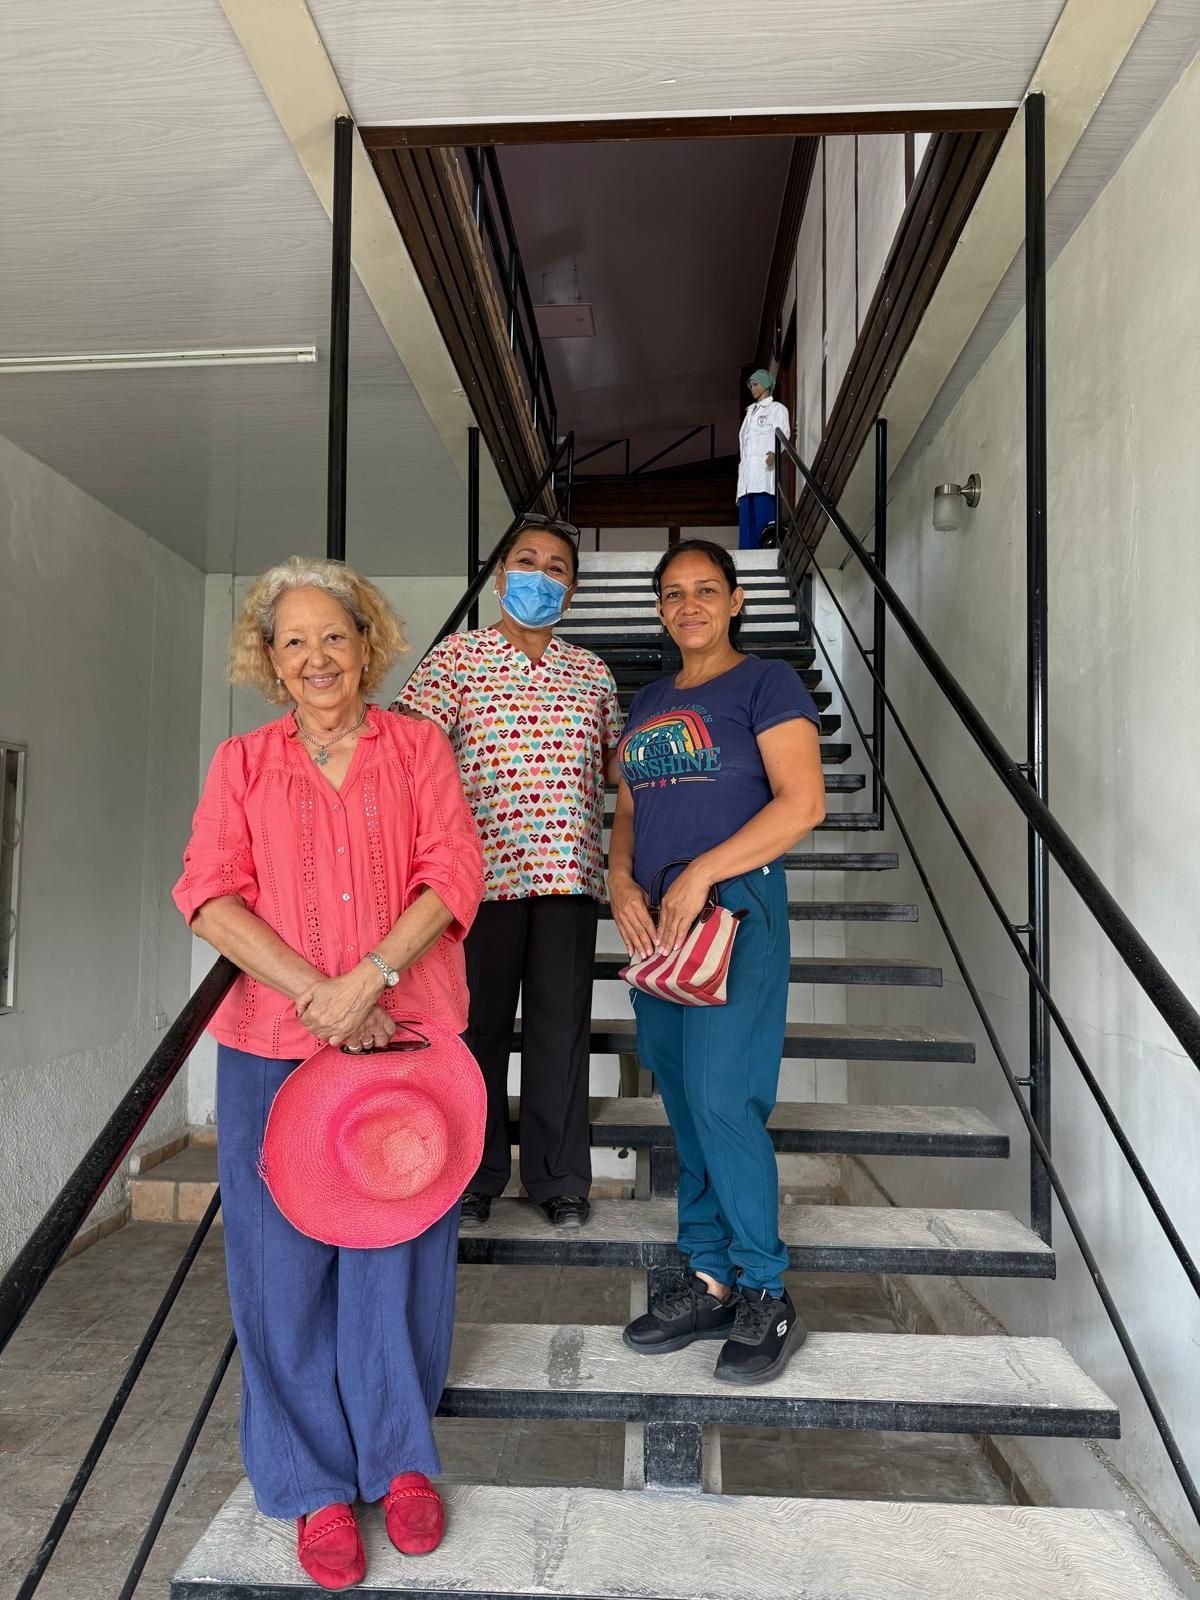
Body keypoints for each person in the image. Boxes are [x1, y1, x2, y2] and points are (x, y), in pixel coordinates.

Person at [173, 556, 484, 1590]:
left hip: (403, 1038)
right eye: (293, 640)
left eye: (334, 636)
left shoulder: (418, 747)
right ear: (270, 658)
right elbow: (209, 894)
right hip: (274, 1043)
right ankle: (310, 1485)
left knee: (396, 1255)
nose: (317, 658)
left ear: (368, 643)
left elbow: (453, 871)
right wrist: (321, 990)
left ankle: (399, 1463)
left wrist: (375, 978)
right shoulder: (243, 763)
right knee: (279, 1272)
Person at [608, 539, 826, 1384]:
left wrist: (703, 870)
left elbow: (802, 802)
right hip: (661, 928)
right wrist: (619, 876)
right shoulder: (651, 699)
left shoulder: (766, 683)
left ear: (736, 601)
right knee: (683, 1101)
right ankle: (704, 1276)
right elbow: (626, 808)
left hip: (736, 914)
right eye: (672, 594)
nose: (688, 604)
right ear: (660, 609)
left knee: (722, 1098)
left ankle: (765, 1290)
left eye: (706, 590)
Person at [395, 515, 623, 1231]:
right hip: (475, 884)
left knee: (561, 1033)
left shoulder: (593, 673)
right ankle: (476, 1174)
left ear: (572, 589)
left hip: (567, 877)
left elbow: (621, 769)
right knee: (476, 1032)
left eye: (557, 567)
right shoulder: (454, 661)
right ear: (499, 577)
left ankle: (559, 1179)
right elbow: (412, 761)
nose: (540, 575)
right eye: (526, 561)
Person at [737, 368, 790, 550]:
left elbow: (783, 433)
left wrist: (775, 451)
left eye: (755, 384)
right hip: (746, 476)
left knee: (763, 514)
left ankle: (766, 551)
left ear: (766, 385)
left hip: (763, 470)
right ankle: (745, 556)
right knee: (746, 520)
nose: (752, 388)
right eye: (750, 385)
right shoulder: (749, 412)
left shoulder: (776, 409)